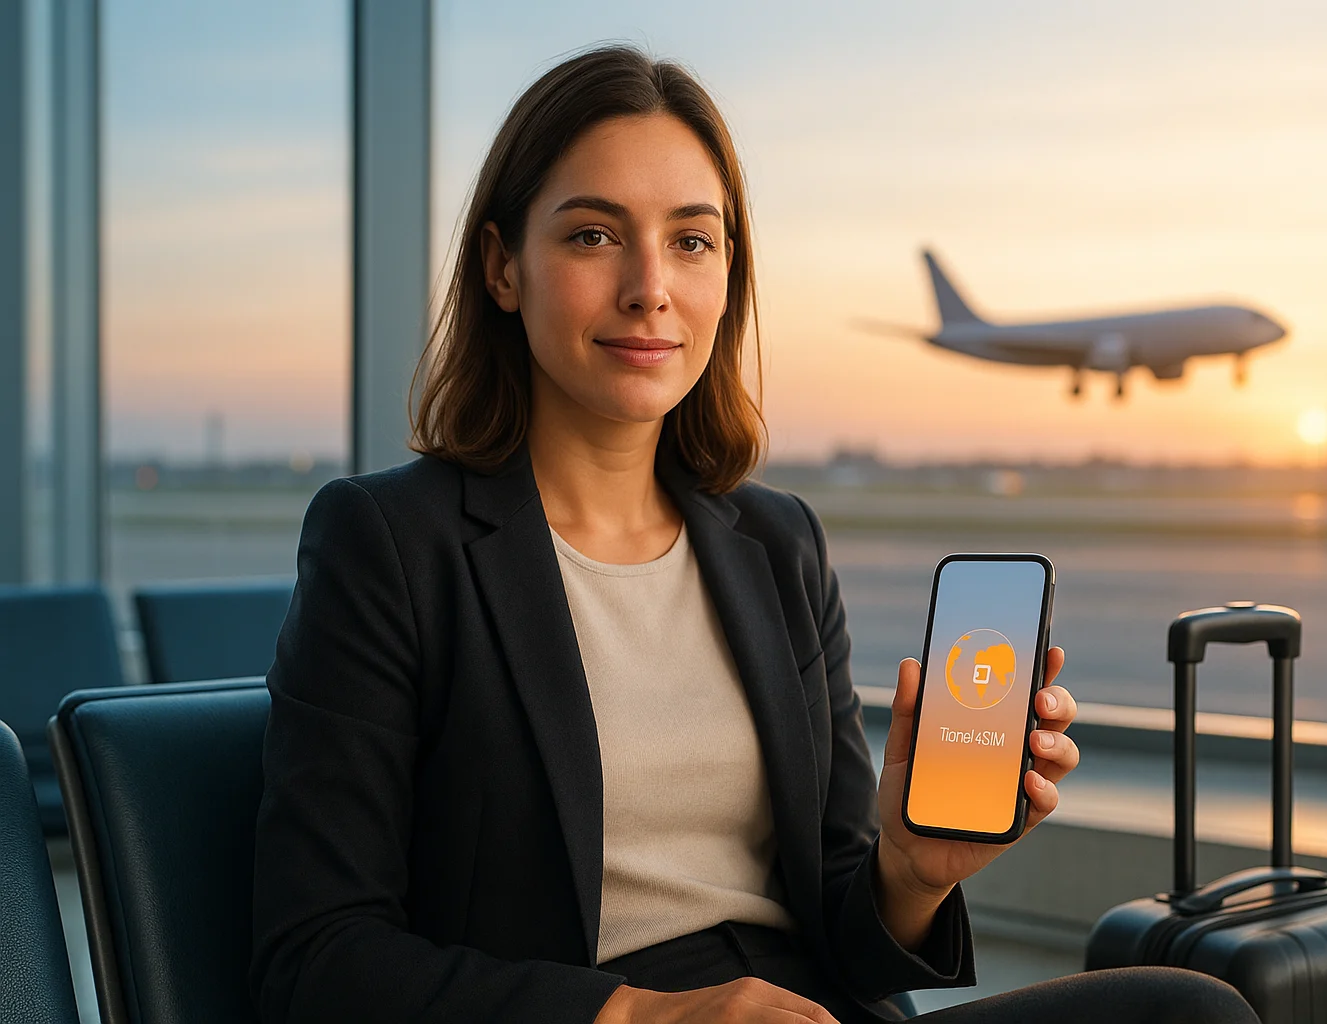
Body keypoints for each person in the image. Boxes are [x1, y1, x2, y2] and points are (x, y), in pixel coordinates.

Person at [248, 44, 1259, 1024]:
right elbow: (316, 959)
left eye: (692, 241)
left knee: (1185, 1007)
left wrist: (911, 872)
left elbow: (845, 933)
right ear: (502, 267)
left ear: (729, 273)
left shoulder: (778, 544)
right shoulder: (389, 542)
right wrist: (642, 1015)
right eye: (594, 235)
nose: (650, 286)